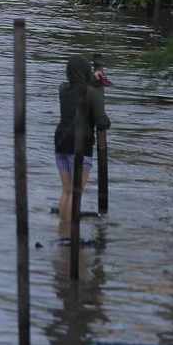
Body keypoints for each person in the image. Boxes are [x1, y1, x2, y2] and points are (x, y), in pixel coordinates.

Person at [55, 56, 111, 240]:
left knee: (66, 190)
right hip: (80, 145)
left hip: (60, 142)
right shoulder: (92, 93)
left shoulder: (63, 90)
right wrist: (99, 87)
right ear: (86, 72)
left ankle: (62, 231)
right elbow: (102, 122)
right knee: (76, 192)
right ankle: (70, 235)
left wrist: (94, 82)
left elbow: (78, 87)